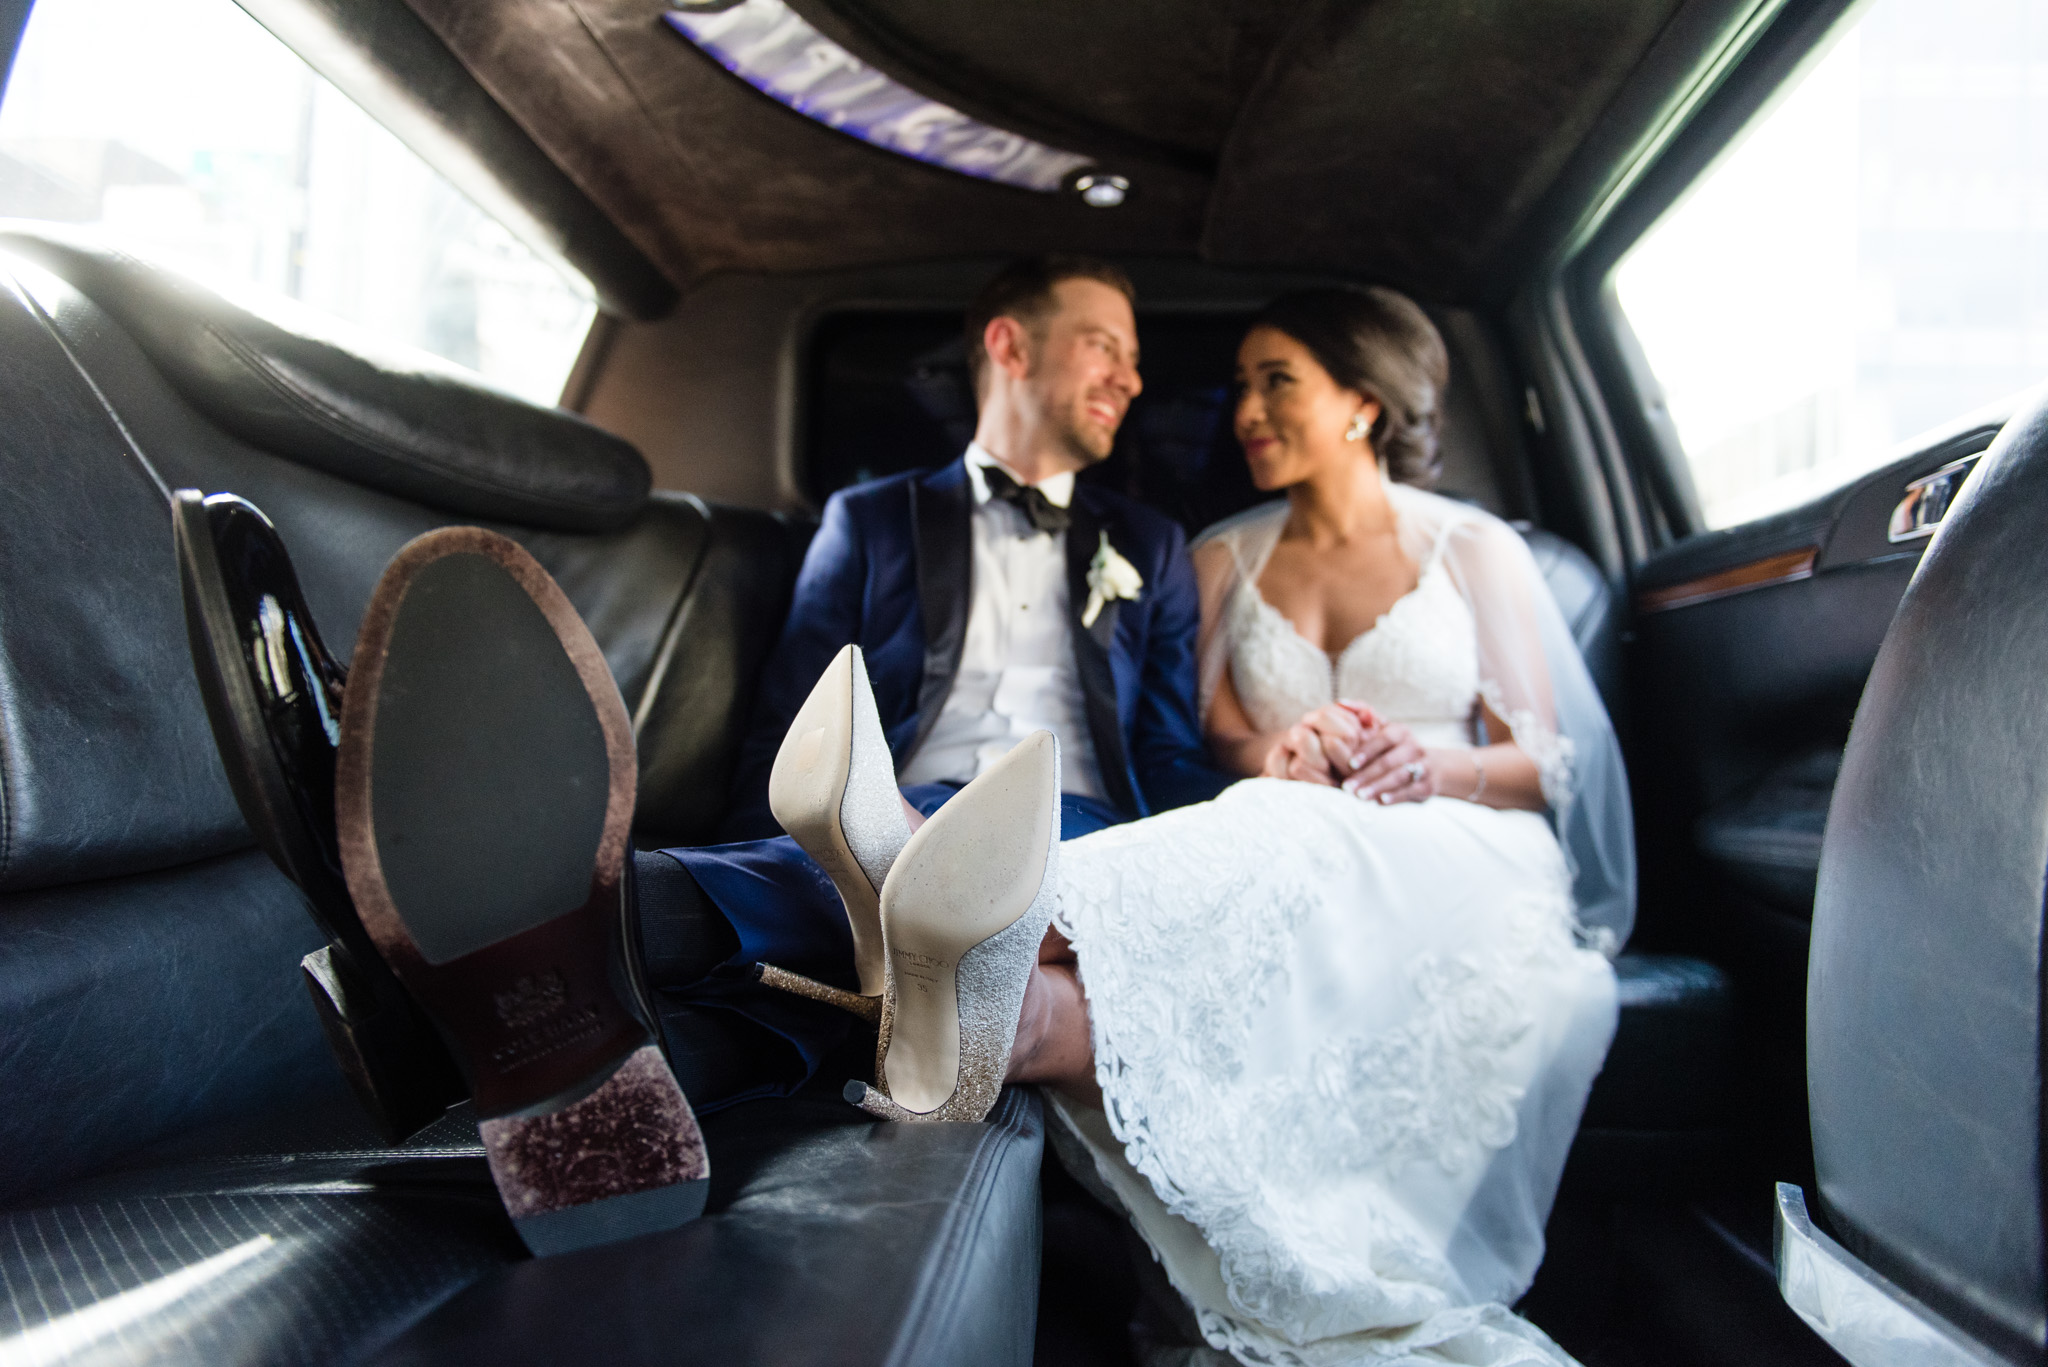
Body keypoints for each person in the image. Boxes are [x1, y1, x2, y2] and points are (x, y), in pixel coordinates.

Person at [843, 286, 1634, 1364]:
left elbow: (1537, 762)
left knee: (1294, 834)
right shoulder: (1220, 555)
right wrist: (1281, 751)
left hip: (1461, 838)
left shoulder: (1474, 549)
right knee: (1273, 818)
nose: (1245, 411)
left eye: (1277, 382)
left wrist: (1431, 762)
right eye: (1242, 387)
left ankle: (950, 899)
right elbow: (1207, 743)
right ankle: (1011, 1017)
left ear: (1361, 402)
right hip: (1293, 816)